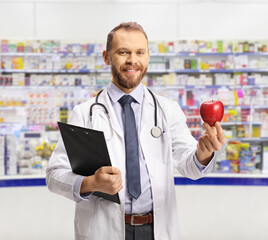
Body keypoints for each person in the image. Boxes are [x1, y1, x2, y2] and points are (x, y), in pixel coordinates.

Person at [46, 22, 225, 240]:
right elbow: (54, 175)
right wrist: (91, 183)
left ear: (148, 56)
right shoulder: (84, 114)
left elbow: (191, 166)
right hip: (104, 230)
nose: (132, 60)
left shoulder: (168, 110)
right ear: (106, 57)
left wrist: (204, 153)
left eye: (139, 52)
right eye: (123, 52)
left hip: (155, 229)